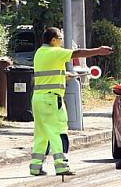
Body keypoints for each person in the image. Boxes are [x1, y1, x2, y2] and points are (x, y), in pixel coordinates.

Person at [29, 27, 112, 176]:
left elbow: (47, 74)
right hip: (51, 99)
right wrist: (98, 50)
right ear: (53, 40)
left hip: (38, 99)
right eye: (60, 39)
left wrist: (63, 75)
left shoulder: (40, 53)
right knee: (58, 131)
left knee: (41, 133)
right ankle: (62, 166)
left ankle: (35, 166)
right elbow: (78, 53)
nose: (62, 42)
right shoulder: (55, 52)